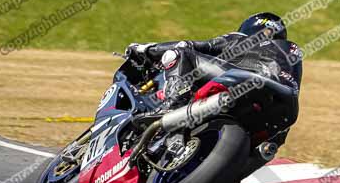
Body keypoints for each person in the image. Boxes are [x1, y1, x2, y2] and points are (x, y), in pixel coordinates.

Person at [125, 12, 302, 130]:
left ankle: (172, 104)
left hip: (245, 80)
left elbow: (188, 45)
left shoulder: (241, 39)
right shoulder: (293, 54)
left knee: (180, 54)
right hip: (283, 107)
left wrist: (145, 50)